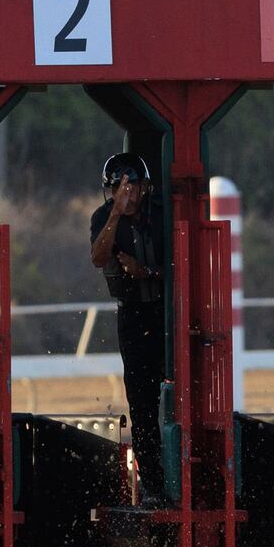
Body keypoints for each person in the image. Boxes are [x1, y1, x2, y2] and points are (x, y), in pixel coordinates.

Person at [89, 151, 170, 498]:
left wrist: (146, 271)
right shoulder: (103, 216)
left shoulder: (164, 214)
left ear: (143, 186)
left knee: (177, 391)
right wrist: (116, 214)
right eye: (119, 188)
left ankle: (181, 472)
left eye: (132, 186)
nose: (127, 193)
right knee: (141, 401)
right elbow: (98, 257)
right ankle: (152, 483)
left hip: (167, 312)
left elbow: (180, 265)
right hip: (132, 316)